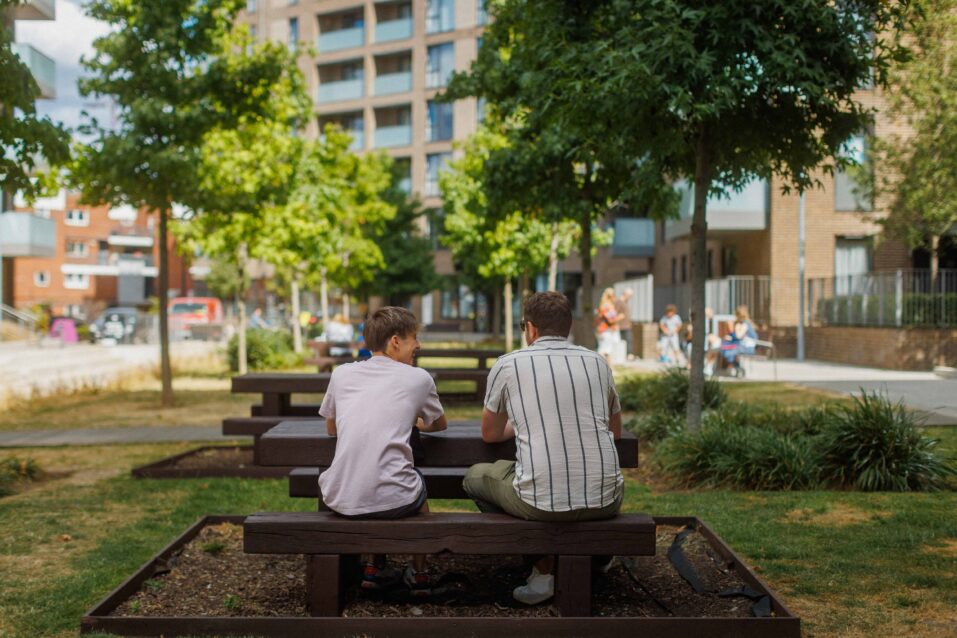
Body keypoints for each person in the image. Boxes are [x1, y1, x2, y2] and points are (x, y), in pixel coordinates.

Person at [463, 291, 624, 605]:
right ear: (569, 325)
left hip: (540, 503)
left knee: (475, 478)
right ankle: (594, 558)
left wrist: (523, 423)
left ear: (530, 328)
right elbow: (614, 431)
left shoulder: (508, 364)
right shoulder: (597, 362)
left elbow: (491, 434)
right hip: (607, 498)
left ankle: (542, 569)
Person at [318, 307, 448, 596]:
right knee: (412, 482)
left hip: (341, 497)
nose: (419, 345)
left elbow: (331, 428)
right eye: (414, 338)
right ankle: (420, 573)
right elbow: (438, 424)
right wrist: (410, 421)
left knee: (382, 471)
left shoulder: (341, 374)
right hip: (395, 499)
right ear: (395, 341)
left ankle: (374, 568)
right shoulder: (418, 378)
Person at [719, 305, 758, 377]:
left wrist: (736, 327)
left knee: (728, 351)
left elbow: (738, 336)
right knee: (724, 347)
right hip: (741, 345)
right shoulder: (743, 323)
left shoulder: (745, 324)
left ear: (739, 315)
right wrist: (730, 337)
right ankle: (738, 368)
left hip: (747, 347)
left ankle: (738, 368)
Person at [595, 287, 620, 363]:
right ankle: (603, 368)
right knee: (604, 350)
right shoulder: (607, 306)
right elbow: (610, 320)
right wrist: (619, 318)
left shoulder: (604, 305)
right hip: (606, 331)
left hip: (607, 330)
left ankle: (607, 369)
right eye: (614, 295)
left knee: (606, 350)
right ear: (612, 296)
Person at [614, 288, 634, 360]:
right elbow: (614, 314)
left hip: (626, 325)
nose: (630, 298)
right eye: (630, 296)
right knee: (625, 341)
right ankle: (627, 355)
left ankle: (627, 355)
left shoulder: (625, 302)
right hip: (621, 326)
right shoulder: (619, 302)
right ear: (626, 294)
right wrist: (620, 317)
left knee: (628, 341)